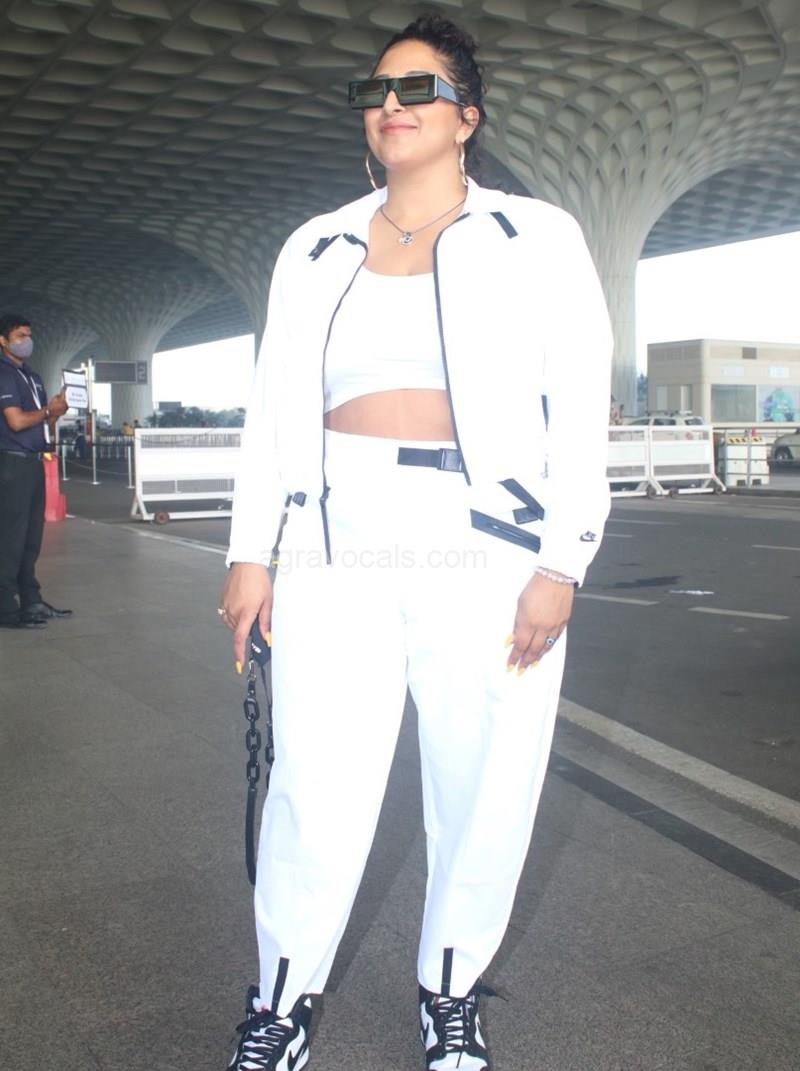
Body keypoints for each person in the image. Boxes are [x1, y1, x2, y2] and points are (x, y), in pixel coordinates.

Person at [218, 14, 612, 1071]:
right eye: (376, 90)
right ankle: (280, 1000)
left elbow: (580, 408)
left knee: (483, 780)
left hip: (486, 542)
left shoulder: (537, 236)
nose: (390, 104)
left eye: (417, 88)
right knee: (315, 780)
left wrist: (561, 562)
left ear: (467, 117)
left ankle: (450, 991)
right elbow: (273, 405)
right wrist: (250, 550)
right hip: (335, 536)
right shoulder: (315, 245)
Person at [0, 313, 73, 629]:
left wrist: (55, 413)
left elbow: (45, 424)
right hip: (12, 463)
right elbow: (16, 422)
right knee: (10, 539)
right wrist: (47, 411)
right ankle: (5, 607)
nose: (26, 341)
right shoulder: (4, 374)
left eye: (28, 335)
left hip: (33, 461)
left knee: (31, 538)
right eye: (19, 335)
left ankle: (31, 600)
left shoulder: (32, 376)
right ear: (3, 340)